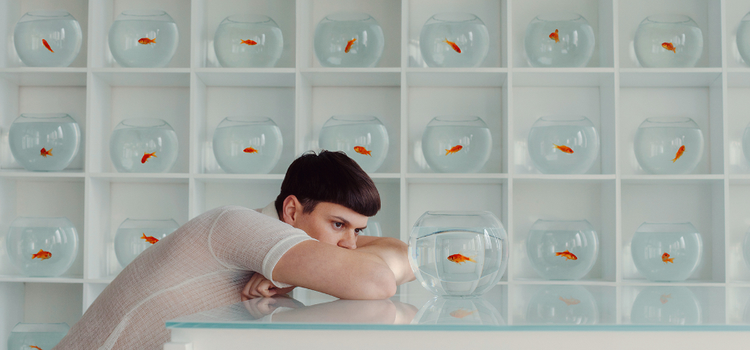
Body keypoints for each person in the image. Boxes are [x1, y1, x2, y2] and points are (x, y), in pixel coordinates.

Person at [54, 150, 415, 350]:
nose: (349, 244)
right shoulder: (236, 224)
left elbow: (406, 258)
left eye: (359, 231)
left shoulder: (279, 249)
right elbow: (377, 281)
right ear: (291, 211)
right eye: (338, 225)